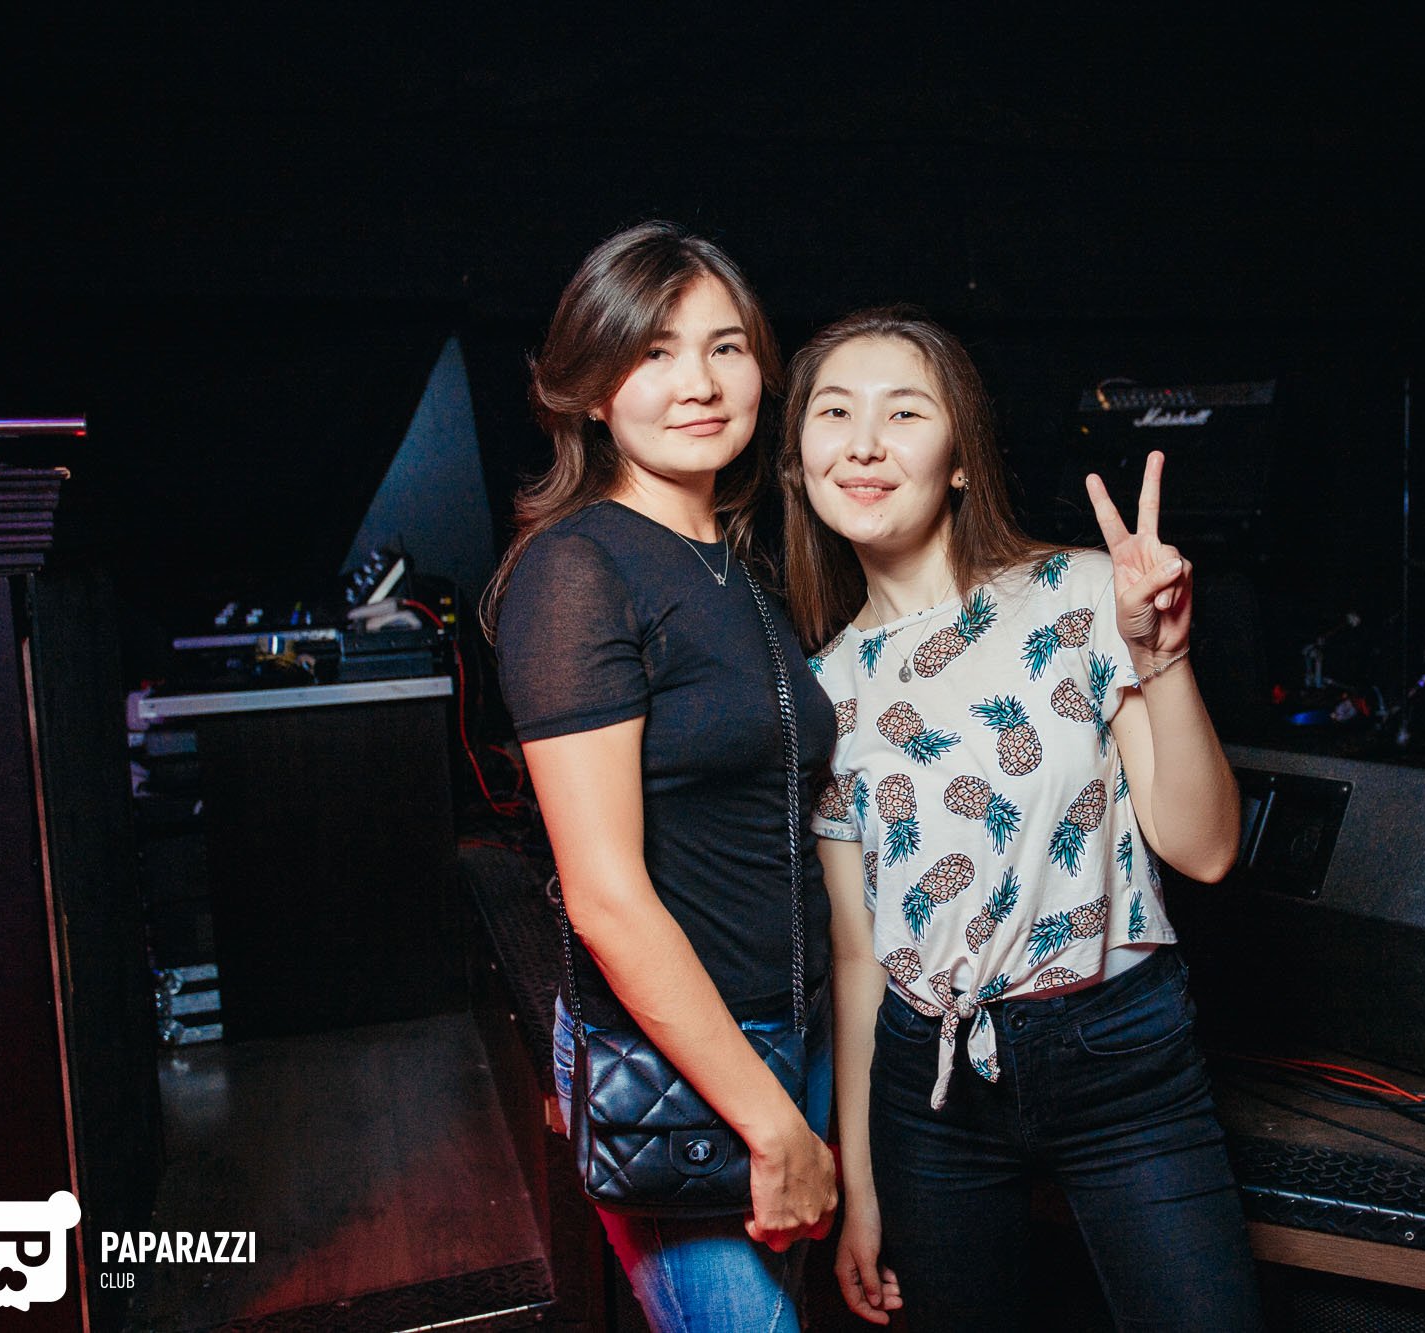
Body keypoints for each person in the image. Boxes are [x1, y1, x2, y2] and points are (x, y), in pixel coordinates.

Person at [783, 308, 1263, 1329]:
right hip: (929, 1087)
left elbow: (1206, 849)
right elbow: (858, 957)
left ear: (960, 458)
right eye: (834, 412)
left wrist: (1165, 657)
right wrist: (861, 1185)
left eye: (902, 412)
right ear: (800, 459)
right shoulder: (822, 692)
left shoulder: (1082, 596)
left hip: (1118, 1053)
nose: (863, 443)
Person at [488, 221, 838, 1332]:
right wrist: (769, 1123)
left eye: (726, 347)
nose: (699, 382)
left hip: (794, 1035)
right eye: (653, 352)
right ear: (593, 390)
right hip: (678, 1064)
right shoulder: (576, 569)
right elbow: (604, 896)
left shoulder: (744, 569)